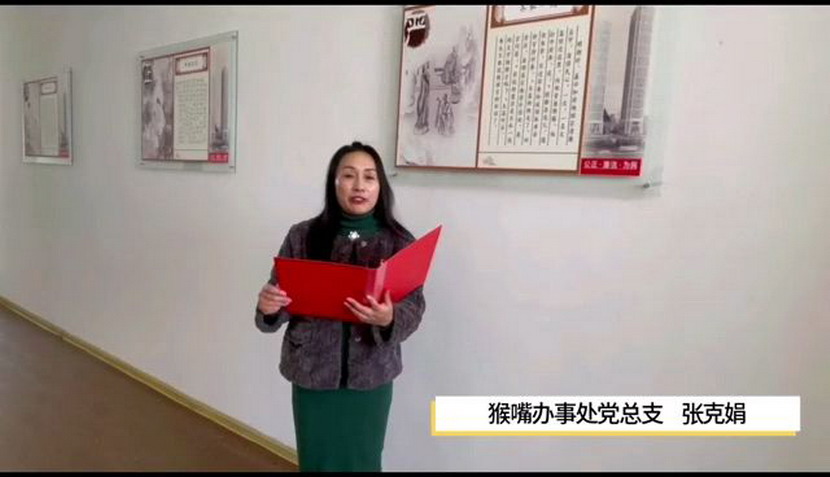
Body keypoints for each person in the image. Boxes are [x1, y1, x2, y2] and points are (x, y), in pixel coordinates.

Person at [254, 141, 426, 472]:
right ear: (334, 182)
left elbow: (414, 306)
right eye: (349, 175)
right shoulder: (302, 236)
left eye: (369, 177)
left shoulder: (399, 242)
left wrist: (389, 317)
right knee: (317, 459)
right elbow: (281, 300)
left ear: (380, 186)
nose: (359, 185)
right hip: (312, 373)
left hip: (371, 376)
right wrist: (269, 307)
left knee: (364, 459)